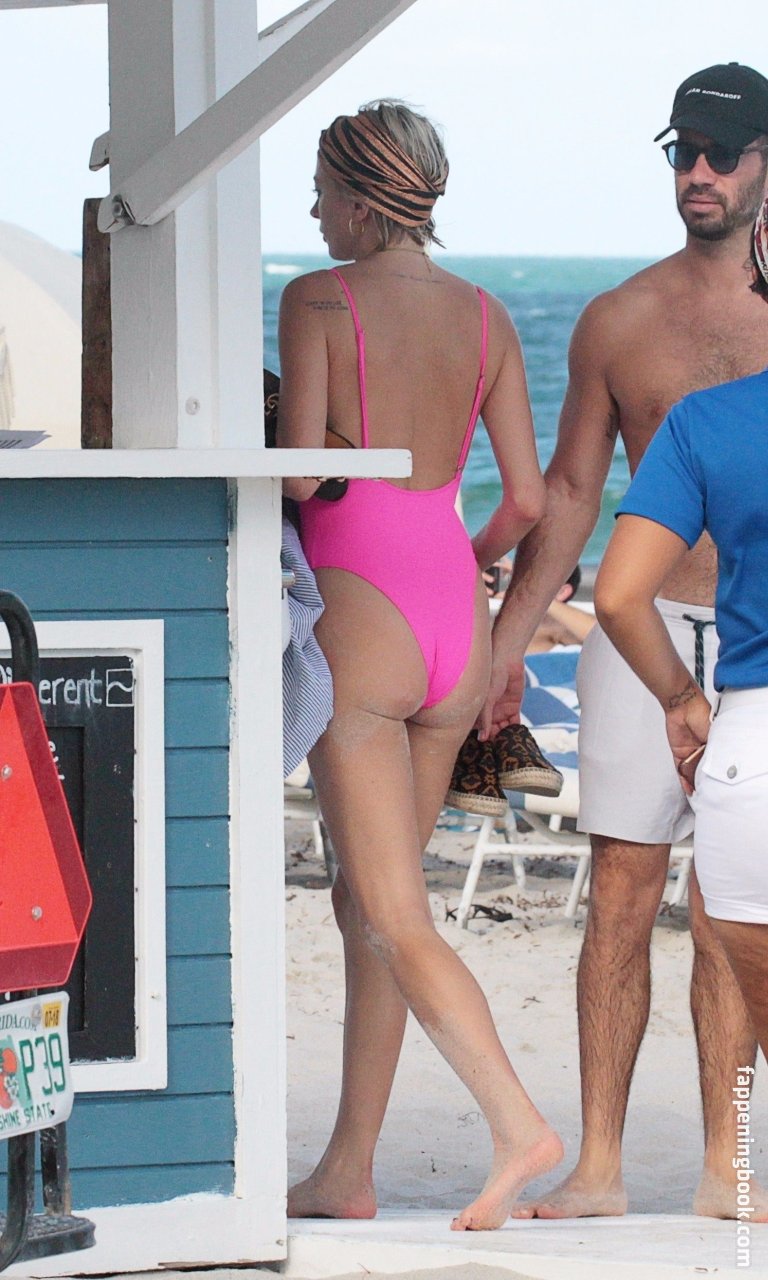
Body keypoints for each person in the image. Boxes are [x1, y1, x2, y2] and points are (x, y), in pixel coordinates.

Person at [478, 63, 768, 1220]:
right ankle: (598, 1162)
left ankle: (726, 1165)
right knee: (621, 893)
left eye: (722, 153)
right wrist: (509, 639)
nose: (697, 171)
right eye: (681, 151)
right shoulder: (618, 319)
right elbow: (568, 490)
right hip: (639, 637)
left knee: (733, 910)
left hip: (752, 656)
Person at [277, 100, 562, 1230]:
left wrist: (307, 438)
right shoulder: (489, 315)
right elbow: (528, 501)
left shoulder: (317, 298)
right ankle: (348, 1169)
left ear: (360, 200)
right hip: (453, 609)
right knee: (371, 900)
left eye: (320, 191)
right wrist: (467, 564)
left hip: (364, 607)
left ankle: (515, 1122)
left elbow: (302, 480)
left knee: (393, 912)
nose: (312, 211)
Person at [594, 195, 768, 1061]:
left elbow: (619, 595)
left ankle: (729, 1142)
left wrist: (678, 699)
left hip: (750, 738)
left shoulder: (708, 422)